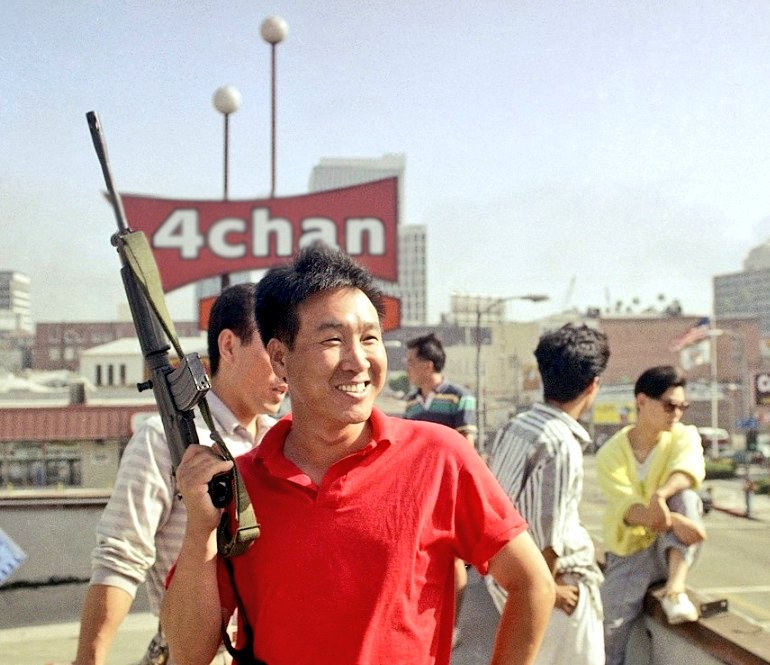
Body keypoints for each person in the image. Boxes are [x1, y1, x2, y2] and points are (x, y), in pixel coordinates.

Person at [162, 243, 555, 665]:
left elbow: (533, 584)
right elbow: (188, 654)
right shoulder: (240, 484)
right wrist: (200, 530)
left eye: (370, 338)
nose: (358, 361)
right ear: (280, 358)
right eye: (332, 340)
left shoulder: (441, 456)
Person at [55, 284, 287, 665]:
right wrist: (88, 660)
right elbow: (120, 559)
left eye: (289, 349)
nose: (285, 366)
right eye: (272, 348)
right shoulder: (162, 440)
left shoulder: (283, 442)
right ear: (229, 347)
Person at [486, 323, 610, 665]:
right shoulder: (561, 444)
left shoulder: (515, 426)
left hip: (509, 585)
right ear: (592, 385)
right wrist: (549, 592)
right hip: (555, 593)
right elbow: (549, 537)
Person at [597, 365, 707, 665]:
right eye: (670, 405)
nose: (677, 414)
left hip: (670, 550)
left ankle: (675, 590)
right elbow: (629, 509)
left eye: (682, 406)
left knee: (686, 496)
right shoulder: (611, 453)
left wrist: (661, 496)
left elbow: (688, 470)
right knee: (607, 634)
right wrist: (674, 521)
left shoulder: (684, 436)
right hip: (630, 554)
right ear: (642, 401)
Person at [404, 332, 477, 647]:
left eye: (411, 361)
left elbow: (466, 447)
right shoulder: (411, 403)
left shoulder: (460, 397)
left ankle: (452, 626)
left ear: (428, 364)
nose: (407, 368)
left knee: (454, 560)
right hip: (420, 495)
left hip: (449, 492)